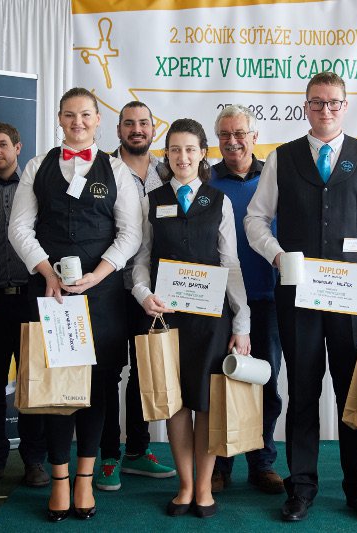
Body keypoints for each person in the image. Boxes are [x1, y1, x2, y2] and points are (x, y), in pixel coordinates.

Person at [244, 71, 357, 523]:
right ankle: (301, 488)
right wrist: (276, 256)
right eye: (317, 102)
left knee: (354, 395)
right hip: (299, 297)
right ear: (306, 107)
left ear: (345, 106)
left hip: (354, 299)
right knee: (303, 392)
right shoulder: (282, 158)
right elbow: (255, 219)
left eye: (333, 102)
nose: (325, 109)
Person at [8, 88, 142, 522]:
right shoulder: (37, 167)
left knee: (97, 386)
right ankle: (60, 479)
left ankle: (85, 477)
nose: (78, 122)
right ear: (59, 118)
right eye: (70, 115)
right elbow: (19, 228)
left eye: (86, 115)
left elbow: (130, 233)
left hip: (101, 295)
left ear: (98, 119)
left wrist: (98, 275)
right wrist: (47, 273)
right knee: (56, 388)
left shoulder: (117, 170)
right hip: (51, 293)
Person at [132, 118, 251, 519]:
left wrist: (242, 323)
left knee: (207, 403)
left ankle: (204, 487)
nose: (182, 157)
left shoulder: (219, 201)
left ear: (203, 154)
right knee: (176, 404)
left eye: (190, 149)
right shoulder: (152, 200)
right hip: (167, 318)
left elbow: (230, 264)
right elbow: (141, 259)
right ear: (166, 155)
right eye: (175, 150)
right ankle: (184, 486)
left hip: (211, 319)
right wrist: (143, 294)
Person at [95, 101, 176, 492]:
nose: (137, 129)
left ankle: (138, 451)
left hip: (154, 290)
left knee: (145, 370)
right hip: (110, 286)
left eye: (144, 123)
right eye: (129, 124)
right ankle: (109, 455)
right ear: (118, 130)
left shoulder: (169, 170)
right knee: (108, 372)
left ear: (153, 129)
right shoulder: (103, 170)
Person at [209, 105, 284, 494]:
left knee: (265, 382)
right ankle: (220, 465)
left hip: (268, 299)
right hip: (218, 300)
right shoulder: (205, 180)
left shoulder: (275, 178)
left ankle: (262, 462)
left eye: (240, 133)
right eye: (225, 134)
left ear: (255, 137)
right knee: (221, 382)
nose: (233, 141)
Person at [0, 122, 49, 490]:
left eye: (3, 144)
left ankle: (34, 460)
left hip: (32, 301)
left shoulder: (35, 187)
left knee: (33, 386)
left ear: (18, 147)